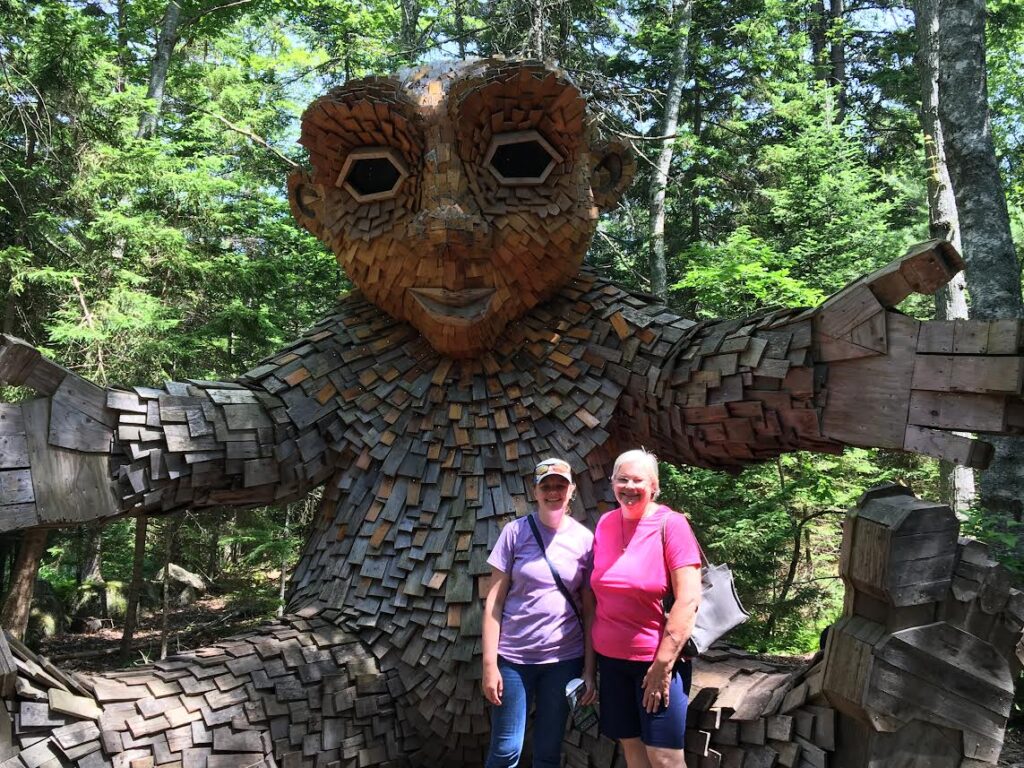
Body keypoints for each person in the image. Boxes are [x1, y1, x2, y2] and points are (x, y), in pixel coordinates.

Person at [482, 458, 597, 768]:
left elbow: (589, 611)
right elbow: (494, 600)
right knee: (506, 750)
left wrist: (588, 670)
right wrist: (490, 664)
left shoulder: (585, 541)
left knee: (548, 751)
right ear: (535, 491)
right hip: (513, 661)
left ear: (571, 490)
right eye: (546, 486)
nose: (553, 492)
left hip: (564, 661)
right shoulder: (514, 533)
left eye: (560, 486)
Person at [591, 449, 703, 768]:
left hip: (655, 662)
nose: (629, 487)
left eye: (637, 480)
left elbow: (689, 598)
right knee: (633, 749)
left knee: (664, 757)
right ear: (612, 483)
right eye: (621, 479)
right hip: (612, 662)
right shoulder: (605, 524)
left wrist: (662, 665)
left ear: (654, 485)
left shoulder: (672, 525)